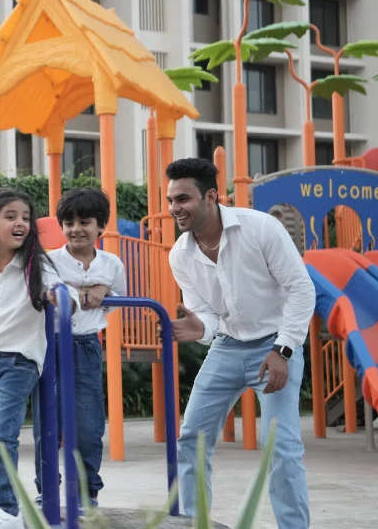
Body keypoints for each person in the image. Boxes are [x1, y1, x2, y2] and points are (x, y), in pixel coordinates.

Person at [163, 158, 314, 529]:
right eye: (170, 200)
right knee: (191, 439)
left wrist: (283, 349)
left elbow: (301, 289)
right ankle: (195, 524)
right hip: (228, 347)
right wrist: (200, 328)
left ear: (211, 196)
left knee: (280, 447)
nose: (174, 208)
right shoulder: (180, 255)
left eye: (183, 198)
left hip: (276, 346)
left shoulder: (261, 228)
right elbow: (209, 315)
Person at [0, 188, 80, 529]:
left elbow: (66, 294)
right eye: (10, 217)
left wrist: (59, 296)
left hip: (21, 361)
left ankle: (8, 510)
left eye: (25, 217)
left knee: (1, 436)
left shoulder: (37, 264)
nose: (20, 223)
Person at [31, 187, 127, 509]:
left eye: (85, 221)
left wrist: (104, 287)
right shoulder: (50, 260)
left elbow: (115, 302)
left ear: (101, 226)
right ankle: (47, 491)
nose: (76, 229)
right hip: (51, 344)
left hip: (86, 345)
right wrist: (86, 288)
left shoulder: (112, 264)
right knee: (49, 423)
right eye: (69, 222)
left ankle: (88, 494)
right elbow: (48, 294)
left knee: (88, 424)